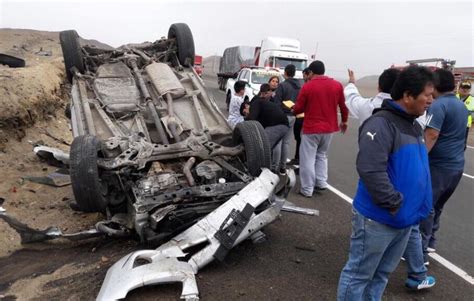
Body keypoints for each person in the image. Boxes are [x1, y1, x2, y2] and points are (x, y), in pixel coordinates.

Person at [337, 66, 435, 300]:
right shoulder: (380, 124)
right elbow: (371, 170)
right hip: (379, 218)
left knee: (382, 274)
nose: (431, 100)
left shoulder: (413, 124)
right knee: (359, 275)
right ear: (408, 96)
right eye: (427, 95)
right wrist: (394, 203)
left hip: (404, 218)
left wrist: (420, 205)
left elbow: (419, 169)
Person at [420, 69, 469, 264]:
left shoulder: (438, 106)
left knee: (427, 207)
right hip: (456, 166)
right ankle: (431, 242)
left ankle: (420, 253)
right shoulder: (460, 105)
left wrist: (419, 159)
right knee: (437, 206)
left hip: (439, 165)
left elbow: (431, 135)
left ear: (435, 85)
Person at [293, 60, 348, 197]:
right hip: (329, 128)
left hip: (311, 128)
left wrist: (294, 109)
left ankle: (307, 189)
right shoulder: (337, 85)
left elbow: (298, 108)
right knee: (322, 155)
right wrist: (345, 121)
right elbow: (343, 106)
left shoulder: (308, 86)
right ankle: (321, 182)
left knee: (307, 159)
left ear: (311, 72)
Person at [242, 84, 289, 168]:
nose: (246, 114)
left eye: (245, 112)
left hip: (277, 124)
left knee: (263, 148)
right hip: (282, 124)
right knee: (268, 149)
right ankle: (269, 168)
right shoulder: (260, 105)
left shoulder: (255, 103)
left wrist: (244, 124)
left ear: (246, 106)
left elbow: (251, 120)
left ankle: (260, 170)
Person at [271, 64, 301, 173]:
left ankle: (274, 167)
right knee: (286, 143)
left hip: (282, 116)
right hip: (293, 116)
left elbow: (277, 103)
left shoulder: (283, 86)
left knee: (278, 141)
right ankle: (283, 167)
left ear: (286, 73)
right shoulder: (299, 86)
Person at [291, 67, 311, 167]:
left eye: (304, 75)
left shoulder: (308, 87)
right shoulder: (305, 85)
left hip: (303, 117)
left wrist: (294, 109)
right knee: (299, 139)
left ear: (308, 74)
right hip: (301, 116)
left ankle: (301, 162)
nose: (303, 78)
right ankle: (297, 158)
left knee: (302, 140)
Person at [456, 80, 473, 149]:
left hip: (465, 126)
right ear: (459, 88)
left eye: (467, 88)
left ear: (470, 89)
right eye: (463, 88)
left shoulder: (473, 100)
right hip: (451, 124)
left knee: (462, 145)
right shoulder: (454, 97)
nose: (465, 90)